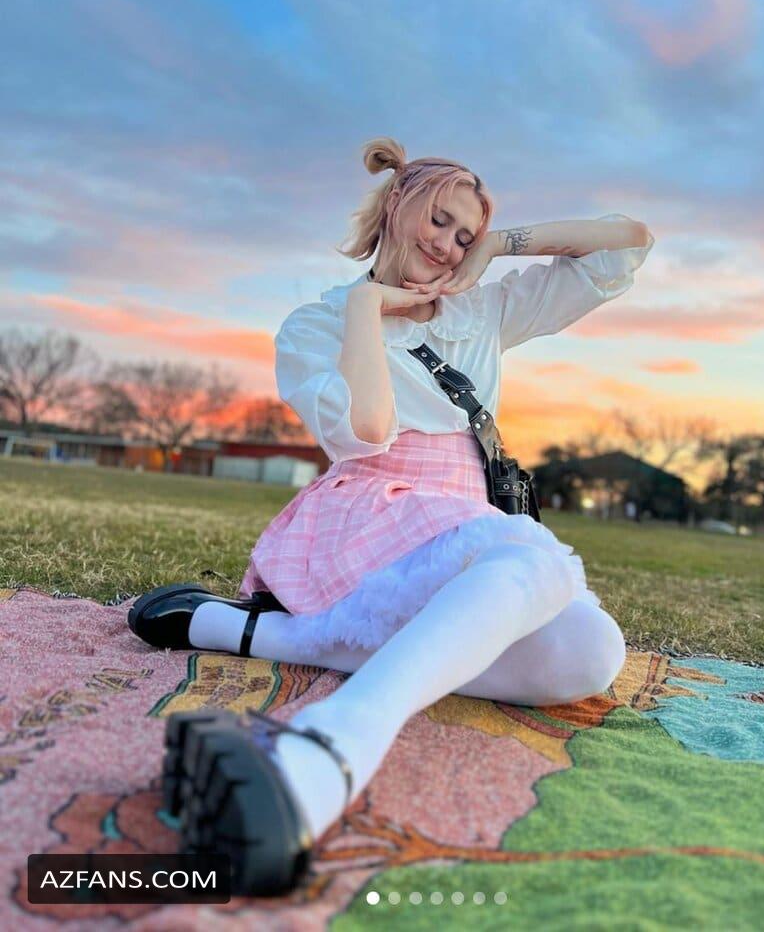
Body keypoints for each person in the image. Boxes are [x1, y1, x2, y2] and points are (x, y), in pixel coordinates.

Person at [127, 137, 654, 895]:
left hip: (464, 522)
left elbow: (628, 242)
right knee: (535, 562)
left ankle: (256, 632)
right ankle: (327, 749)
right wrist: (368, 309)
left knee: (591, 651)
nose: (447, 245)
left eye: (463, 235)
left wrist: (497, 248)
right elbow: (364, 432)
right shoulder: (316, 325)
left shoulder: (483, 310)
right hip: (370, 513)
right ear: (398, 203)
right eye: (438, 221)